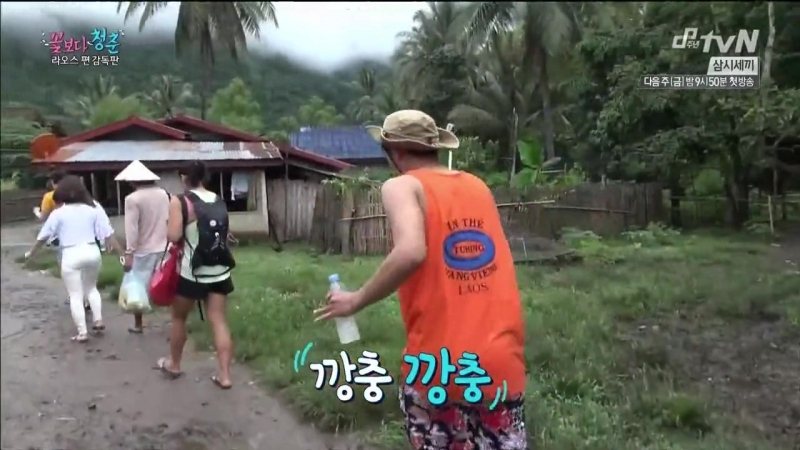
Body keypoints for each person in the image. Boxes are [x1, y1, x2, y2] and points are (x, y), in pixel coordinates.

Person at [313, 110, 527, 449]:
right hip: (499, 363)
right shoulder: (477, 186)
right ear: (435, 147)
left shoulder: (402, 185)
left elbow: (412, 250)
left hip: (437, 367)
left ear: (395, 153)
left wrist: (355, 299)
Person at [157, 160, 236, 389]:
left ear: (184, 177)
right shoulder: (217, 199)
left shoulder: (180, 200)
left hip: (192, 273)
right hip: (220, 270)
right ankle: (225, 375)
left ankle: (174, 364)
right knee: (219, 320)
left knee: (179, 318)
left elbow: (173, 236)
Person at [24, 175, 124, 343]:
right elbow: (108, 233)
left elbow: (43, 236)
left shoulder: (58, 213)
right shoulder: (93, 209)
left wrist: (31, 253)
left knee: (76, 295)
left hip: (71, 254)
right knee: (92, 288)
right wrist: (121, 252)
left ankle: (82, 332)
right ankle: (98, 320)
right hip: (92, 251)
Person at [116, 161, 170, 334]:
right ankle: (172, 322)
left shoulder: (132, 199)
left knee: (137, 288)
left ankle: (139, 324)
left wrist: (129, 252)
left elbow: (131, 229)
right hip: (164, 247)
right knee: (165, 284)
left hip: (143, 250)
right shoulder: (163, 194)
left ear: (133, 181)